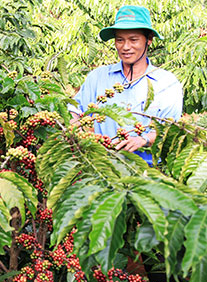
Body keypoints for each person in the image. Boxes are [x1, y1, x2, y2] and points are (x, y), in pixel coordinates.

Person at [70, 5, 183, 164]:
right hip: (102, 170)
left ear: (148, 40)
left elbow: (171, 130)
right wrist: (81, 137)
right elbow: (75, 111)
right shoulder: (97, 77)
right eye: (120, 40)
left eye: (133, 39)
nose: (125, 47)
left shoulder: (166, 83)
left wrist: (143, 140)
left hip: (147, 174)